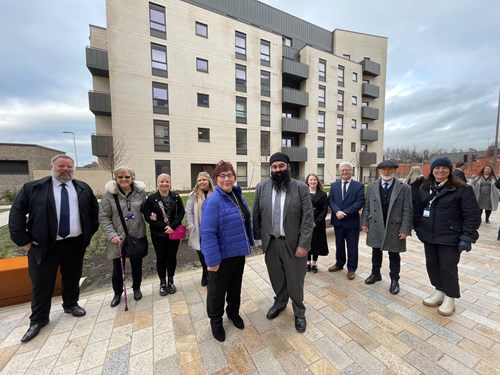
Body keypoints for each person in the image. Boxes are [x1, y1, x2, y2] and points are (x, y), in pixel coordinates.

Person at [9, 155, 99, 343]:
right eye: (61, 166)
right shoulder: (34, 188)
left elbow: (93, 213)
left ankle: (71, 304)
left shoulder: (82, 188)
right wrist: (23, 240)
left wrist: (87, 234)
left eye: (69, 166)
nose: (65, 169)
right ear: (52, 166)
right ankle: (38, 320)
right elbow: (17, 214)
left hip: (74, 244)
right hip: (44, 246)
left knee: (72, 277)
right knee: (42, 283)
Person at [252, 152, 314, 333]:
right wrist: (258, 239)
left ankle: (299, 312)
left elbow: (307, 219)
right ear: (270, 169)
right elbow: (255, 215)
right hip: (271, 243)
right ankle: (280, 302)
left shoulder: (300, 188)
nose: (278, 170)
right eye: (274, 167)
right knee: (276, 277)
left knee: (295, 279)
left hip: (294, 244)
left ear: (288, 167)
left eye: (281, 166)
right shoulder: (261, 187)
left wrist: (303, 244)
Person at [413, 157, 480, 316]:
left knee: (448, 267)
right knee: (432, 265)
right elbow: (417, 210)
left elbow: (472, 215)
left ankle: (450, 297)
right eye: (437, 168)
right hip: (429, 236)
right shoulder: (425, 188)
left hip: (450, 236)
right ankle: (439, 291)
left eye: (444, 168)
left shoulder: (462, 189)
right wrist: (419, 229)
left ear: (450, 170)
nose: (440, 170)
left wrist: (467, 237)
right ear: (432, 170)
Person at [200, 161, 253, 342]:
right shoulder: (212, 202)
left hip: (237, 253)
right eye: (222, 176)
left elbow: (245, 219)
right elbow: (207, 233)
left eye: (229, 175)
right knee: (216, 291)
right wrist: (212, 261)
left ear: (234, 177)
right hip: (221, 258)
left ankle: (233, 312)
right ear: (216, 179)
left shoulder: (237, 195)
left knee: (234, 287)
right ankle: (216, 321)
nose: (226, 179)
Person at [361, 160, 412, 295]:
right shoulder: (371, 187)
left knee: (394, 254)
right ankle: (375, 274)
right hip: (376, 225)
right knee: (376, 251)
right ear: (379, 171)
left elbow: (408, 210)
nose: (386, 172)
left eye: (389, 169)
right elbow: (367, 207)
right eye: (383, 169)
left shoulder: (404, 188)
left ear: (394, 170)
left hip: (394, 227)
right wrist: (364, 222)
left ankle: (395, 280)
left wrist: (405, 229)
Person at [99, 166, 147, 307]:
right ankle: (117, 293)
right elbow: (104, 217)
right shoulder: (109, 195)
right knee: (118, 268)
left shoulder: (140, 193)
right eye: (120, 177)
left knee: (137, 265)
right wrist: (111, 235)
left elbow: (146, 209)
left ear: (132, 178)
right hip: (118, 237)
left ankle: (137, 288)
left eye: (127, 177)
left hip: (137, 234)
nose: (124, 179)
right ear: (116, 179)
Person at [142, 173, 185, 295]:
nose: (164, 184)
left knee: (172, 258)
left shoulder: (176, 197)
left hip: (173, 234)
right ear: (157, 183)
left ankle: (171, 281)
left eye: (167, 181)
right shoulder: (151, 199)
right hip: (158, 235)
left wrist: (173, 226)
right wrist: (164, 227)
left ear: (170, 183)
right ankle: (162, 283)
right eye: (161, 181)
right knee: (161, 259)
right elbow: (147, 217)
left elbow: (181, 213)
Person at [327, 162, 365, 280]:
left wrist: (345, 212)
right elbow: (331, 200)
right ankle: (339, 263)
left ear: (351, 171)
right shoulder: (334, 185)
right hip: (338, 221)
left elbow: (360, 202)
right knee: (339, 245)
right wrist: (338, 211)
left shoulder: (359, 186)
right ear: (339, 172)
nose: (344, 172)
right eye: (342, 170)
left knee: (352, 246)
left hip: (352, 221)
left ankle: (351, 269)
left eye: (347, 170)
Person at [185, 171, 215, 286]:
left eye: (204, 180)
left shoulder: (216, 193)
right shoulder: (194, 195)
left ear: (209, 181)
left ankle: (212, 274)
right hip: (199, 230)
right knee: (202, 254)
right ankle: (205, 272)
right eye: (199, 180)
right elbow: (188, 211)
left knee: (212, 253)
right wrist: (191, 225)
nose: (201, 182)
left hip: (213, 230)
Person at [305, 173, 329, 273]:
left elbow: (324, 210)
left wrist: (316, 222)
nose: (313, 182)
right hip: (306, 223)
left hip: (318, 224)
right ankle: (307, 263)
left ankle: (314, 263)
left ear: (317, 181)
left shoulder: (323, 194)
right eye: (310, 180)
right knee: (307, 242)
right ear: (307, 181)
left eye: (314, 180)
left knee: (317, 243)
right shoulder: (303, 193)